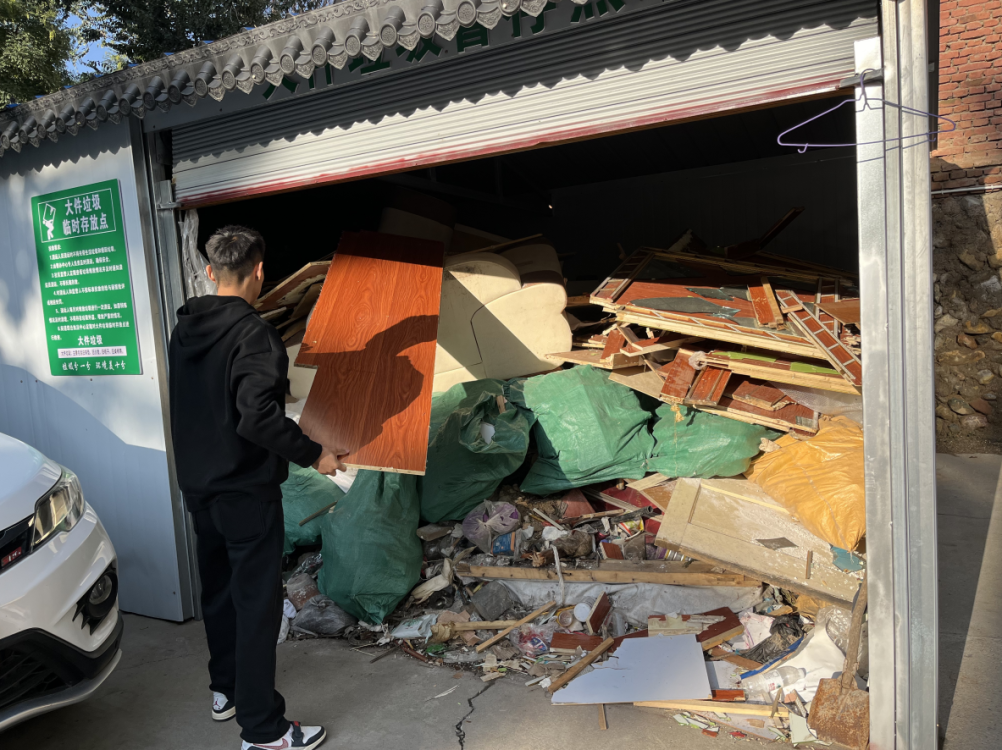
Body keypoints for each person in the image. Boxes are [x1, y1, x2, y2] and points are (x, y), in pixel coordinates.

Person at [168, 225, 344, 750]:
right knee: (256, 607)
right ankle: (264, 730)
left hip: (200, 491)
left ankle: (225, 689)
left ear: (210, 271)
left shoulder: (184, 329)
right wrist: (316, 454)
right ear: (261, 271)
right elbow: (257, 419)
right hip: (245, 493)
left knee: (220, 595)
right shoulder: (254, 335)